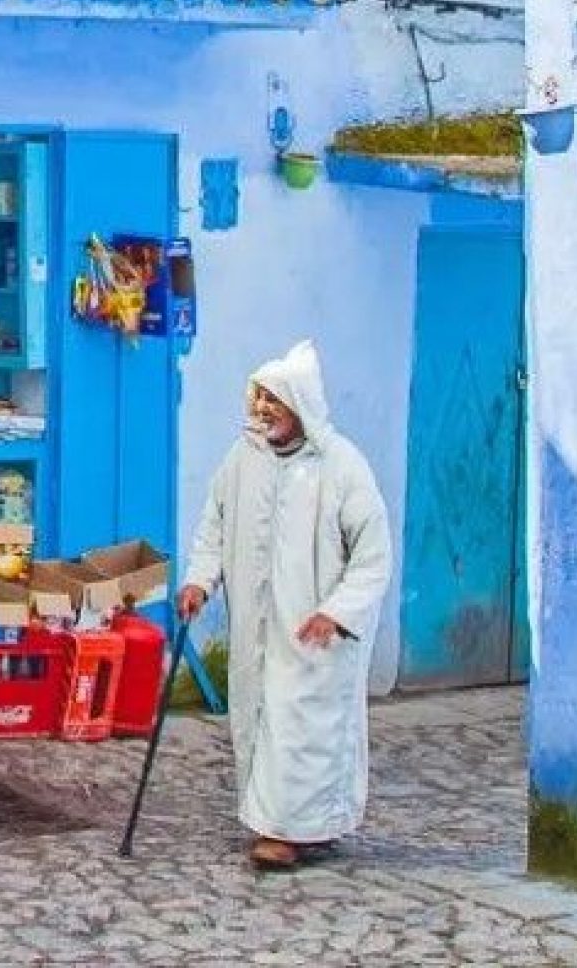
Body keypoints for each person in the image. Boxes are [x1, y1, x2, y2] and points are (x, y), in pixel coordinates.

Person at [178, 339, 392, 871]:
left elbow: (372, 553)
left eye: (274, 399)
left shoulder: (341, 467)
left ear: (300, 405)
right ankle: (275, 823)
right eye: (258, 399)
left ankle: (289, 832)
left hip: (312, 631)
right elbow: (215, 523)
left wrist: (338, 612)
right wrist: (200, 581)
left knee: (302, 727)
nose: (262, 410)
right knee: (259, 717)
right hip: (256, 626)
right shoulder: (242, 459)